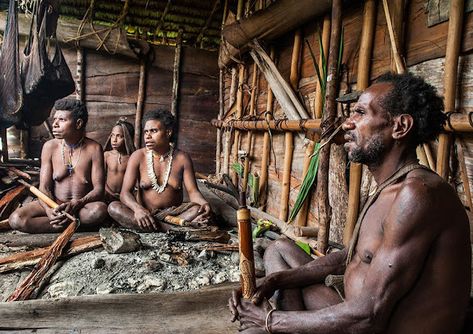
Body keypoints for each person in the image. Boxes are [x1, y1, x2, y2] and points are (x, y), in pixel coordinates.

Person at [229, 72, 471, 333]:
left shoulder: (418, 195)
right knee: (278, 251)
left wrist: (269, 321)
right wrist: (272, 281)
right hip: (360, 310)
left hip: (374, 322)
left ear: (400, 127)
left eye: (361, 113)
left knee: (254, 329)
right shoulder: (388, 188)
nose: (347, 124)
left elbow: (369, 315)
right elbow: (351, 258)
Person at [9, 99, 108, 233]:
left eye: (62, 120)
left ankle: (63, 223)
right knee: (16, 219)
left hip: (81, 206)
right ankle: (70, 223)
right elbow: (44, 187)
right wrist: (49, 210)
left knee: (98, 211)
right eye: (54, 119)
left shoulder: (94, 149)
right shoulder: (50, 147)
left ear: (78, 123)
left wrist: (79, 202)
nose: (55, 124)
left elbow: (99, 189)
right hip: (54, 203)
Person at [108, 109, 211, 231]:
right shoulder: (137, 156)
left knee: (197, 209)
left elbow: (193, 192)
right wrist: (138, 209)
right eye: (146, 131)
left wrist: (204, 203)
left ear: (168, 132)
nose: (148, 135)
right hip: (146, 215)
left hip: (174, 214)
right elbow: (125, 193)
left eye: (154, 131)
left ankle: (161, 227)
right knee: (113, 208)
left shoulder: (182, 158)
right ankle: (174, 228)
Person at [104, 118, 135, 203]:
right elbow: (101, 179)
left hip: (125, 198)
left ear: (127, 139)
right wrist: (110, 193)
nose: (114, 140)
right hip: (106, 195)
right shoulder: (107, 155)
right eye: (112, 135)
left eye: (119, 136)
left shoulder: (132, 158)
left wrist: (123, 196)